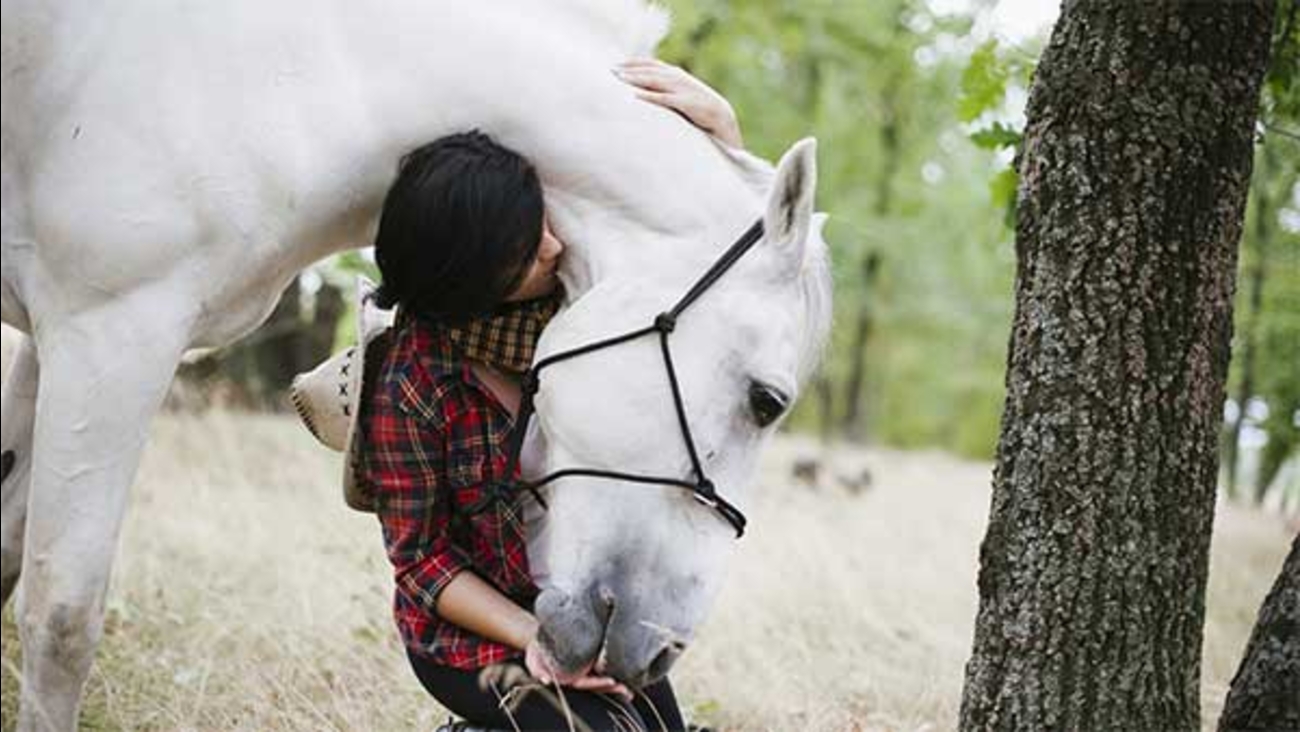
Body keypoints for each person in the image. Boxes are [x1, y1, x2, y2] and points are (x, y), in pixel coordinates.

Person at [360, 60, 742, 731]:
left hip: (581, 605)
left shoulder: (583, 312)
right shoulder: (412, 382)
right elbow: (422, 560)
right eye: (524, 249)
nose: (554, 244)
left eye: (540, 220)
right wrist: (532, 638)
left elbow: (714, 283)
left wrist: (725, 144)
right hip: (472, 636)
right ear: (469, 281)